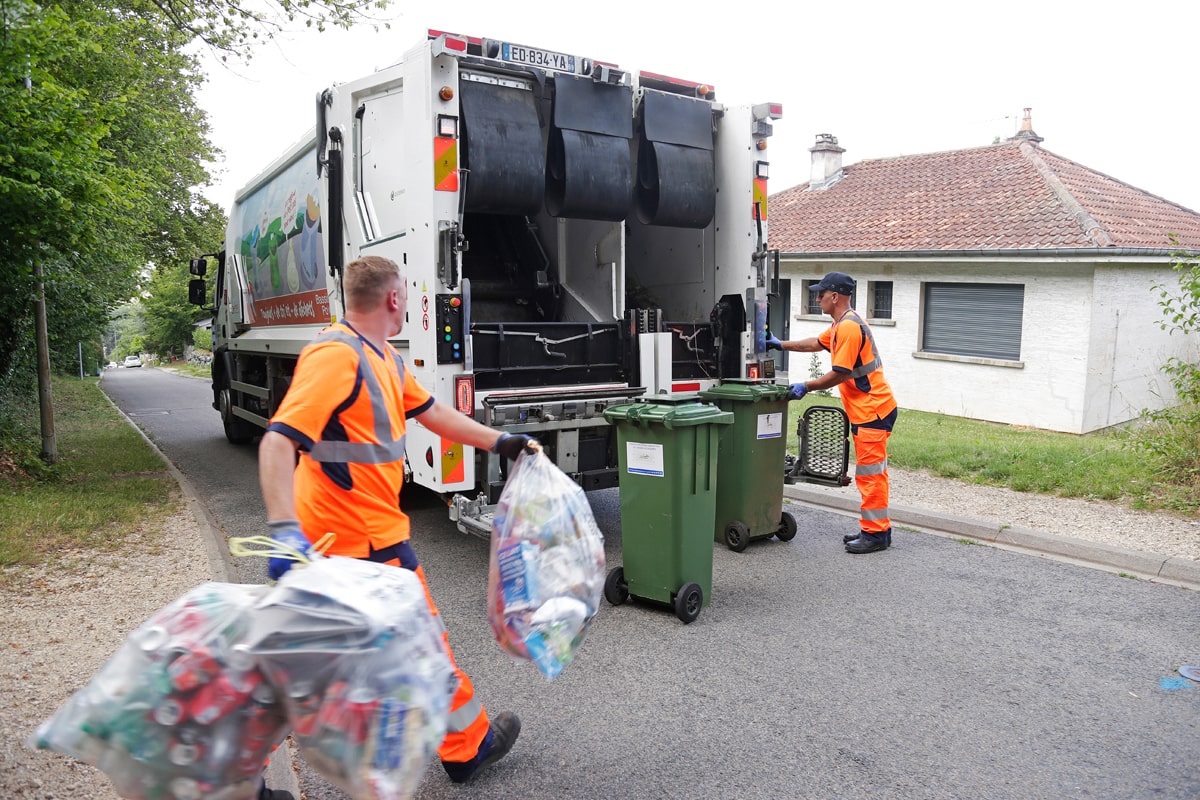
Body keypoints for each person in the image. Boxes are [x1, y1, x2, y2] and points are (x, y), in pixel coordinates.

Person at [257, 254, 532, 784]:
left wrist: (498, 441)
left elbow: (433, 413)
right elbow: (277, 441)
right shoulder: (336, 357)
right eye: (405, 294)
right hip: (348, 546)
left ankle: (243, 780)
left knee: (308, 664)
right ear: (393, 299)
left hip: (364, 539)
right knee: (417, 648)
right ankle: (466, 748)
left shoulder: (383, 357)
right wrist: (283, 532)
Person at [767, 271, 897, 554]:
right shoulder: (841, 324)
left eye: (821, 294)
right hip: (868, 410)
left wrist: (807, 386)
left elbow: (841, 373)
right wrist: (780, 344)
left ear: (835, 296)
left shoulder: (849, 327)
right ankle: (878, 529)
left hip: (872, 411)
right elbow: (816, 343)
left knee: (871, 475)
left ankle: (875, 534)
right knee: (872, 474)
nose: (817, 299)